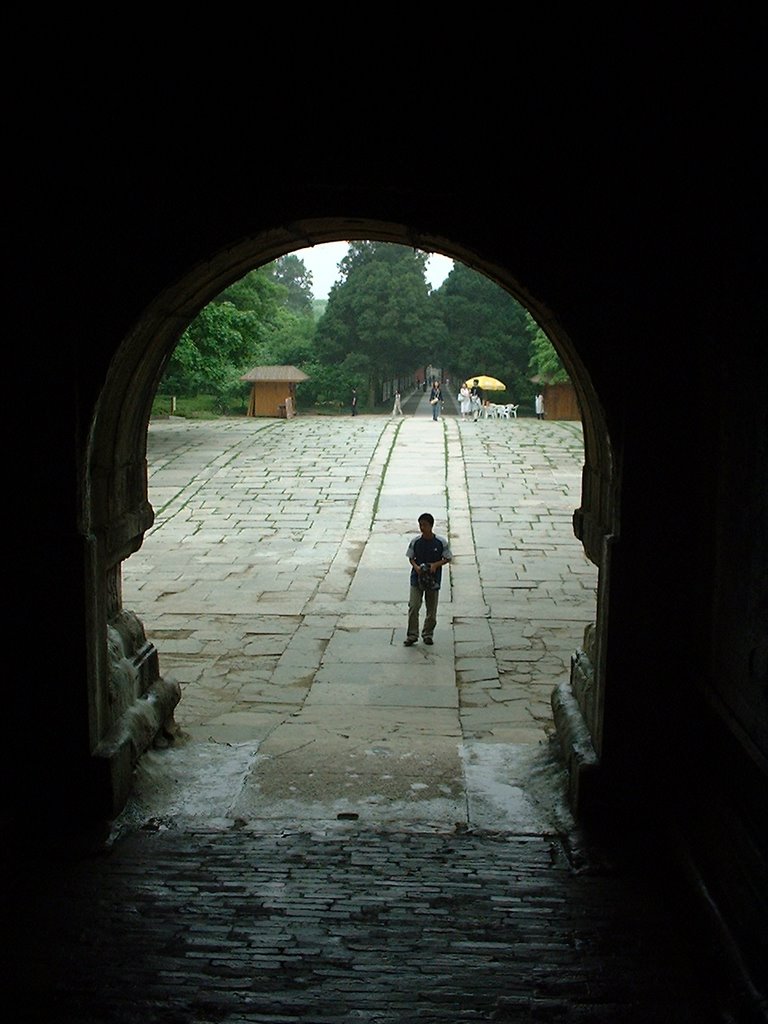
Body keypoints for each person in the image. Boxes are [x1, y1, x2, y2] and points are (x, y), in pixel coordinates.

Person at [403, 513, 452, 646]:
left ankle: (428, 634)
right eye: (420, 525)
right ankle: (412, 634)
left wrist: (435, 565)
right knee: (414, 606)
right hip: (416, 578)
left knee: (431, 609)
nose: (422, 527)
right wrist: (417, 567)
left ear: (431, 525)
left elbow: (448, 558)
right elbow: (411, 558)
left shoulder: (440, 542)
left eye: (424, 525)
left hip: (433, 580)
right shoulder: (415, 542)